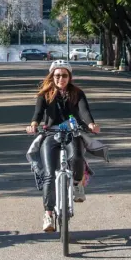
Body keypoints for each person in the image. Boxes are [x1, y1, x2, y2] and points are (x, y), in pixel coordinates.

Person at [25, 60, 100, 233]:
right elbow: (37, 113)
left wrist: (91, 125)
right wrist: (34, 124)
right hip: (51, 134)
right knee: (49, 175)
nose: (61, 79)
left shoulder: (77, 93)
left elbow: (85, 112)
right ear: (52, 77)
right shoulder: (44, 94)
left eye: (64, 75)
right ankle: (48, 214)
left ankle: (76, 184)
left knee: (77, 157)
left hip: (73, 133)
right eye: (57, 75)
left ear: (69, 77)